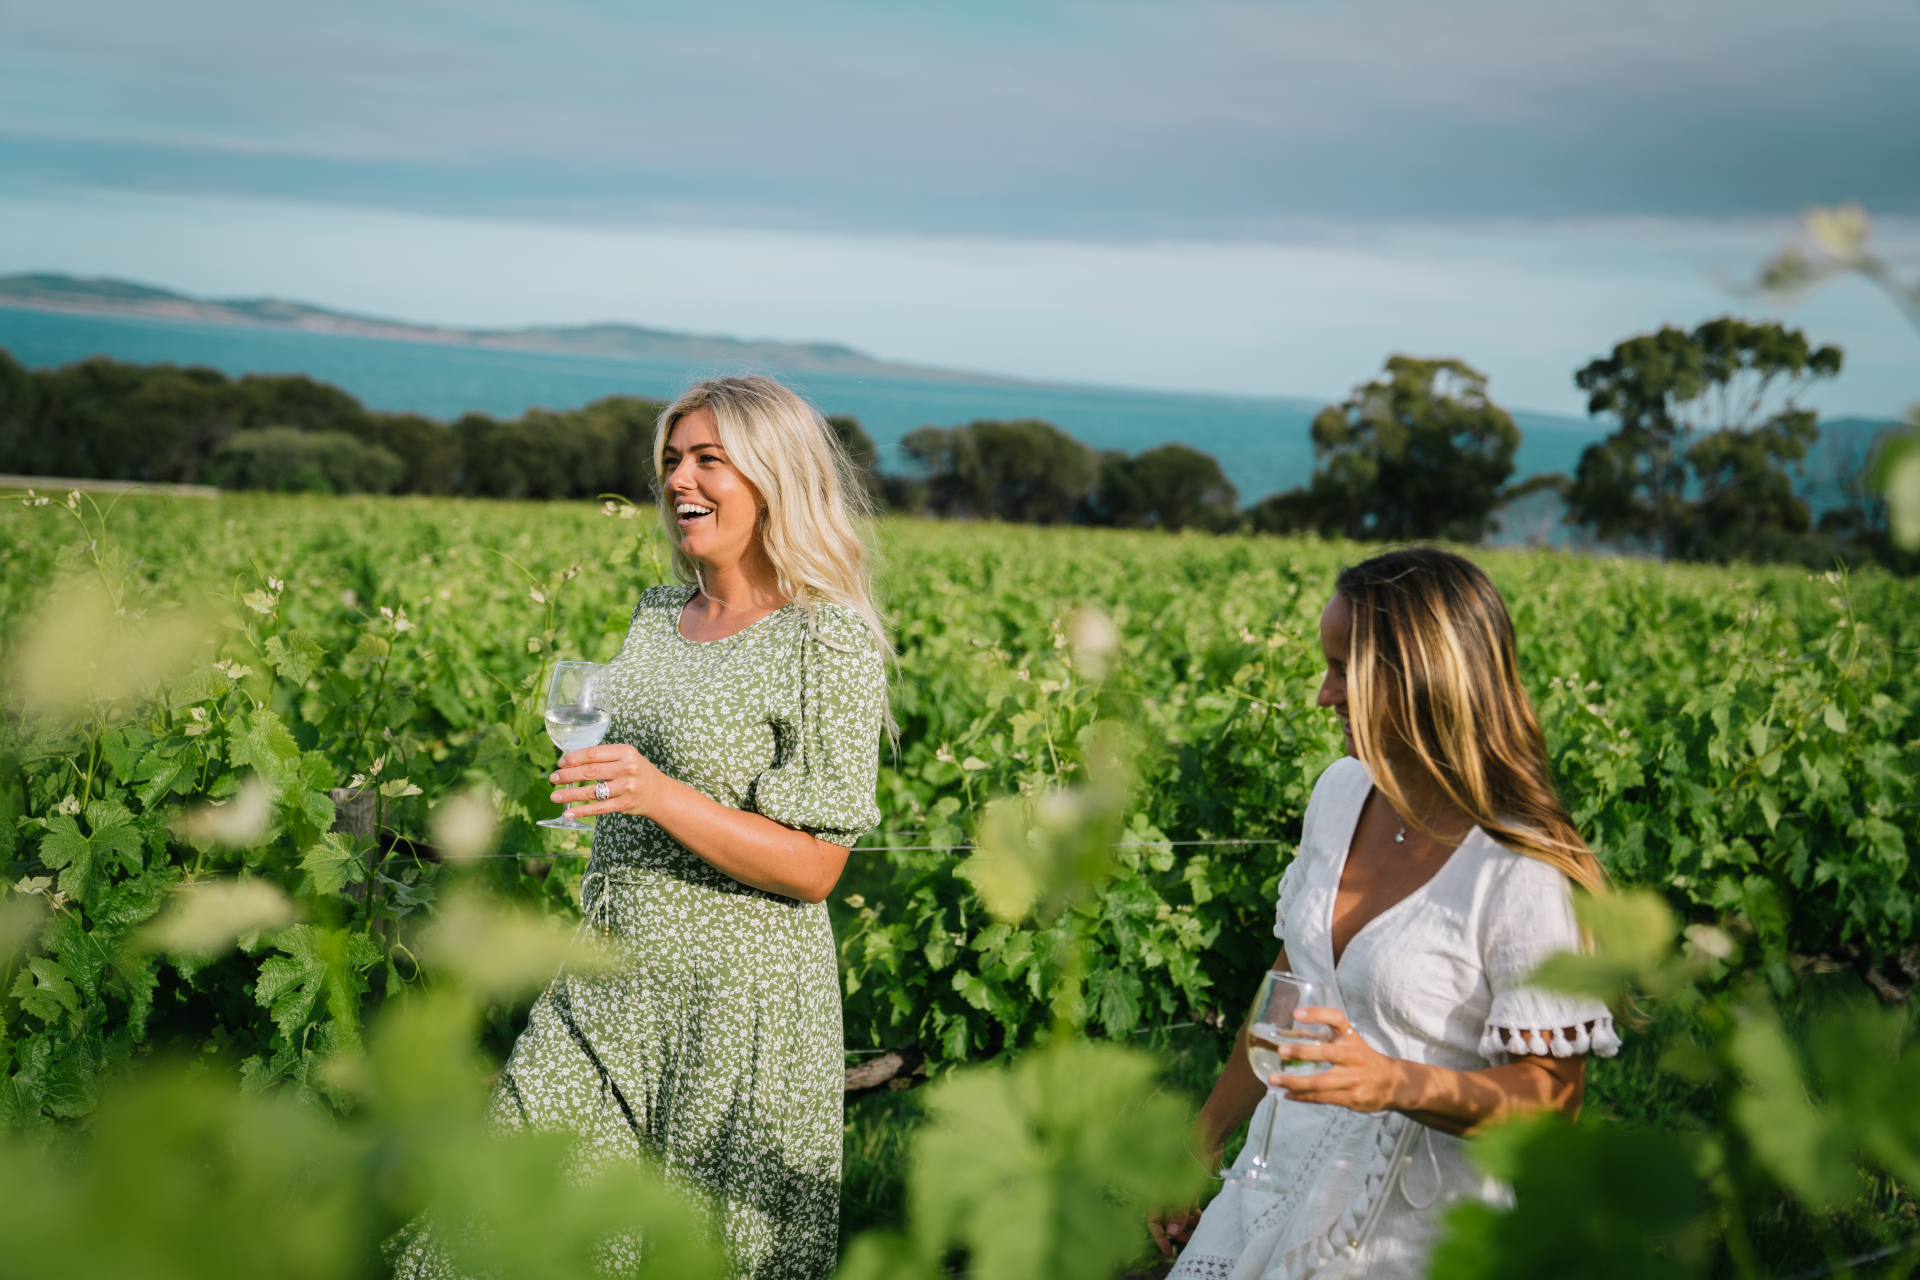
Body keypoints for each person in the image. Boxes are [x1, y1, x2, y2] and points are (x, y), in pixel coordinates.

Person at [392, 375, 889, 1280]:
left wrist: (658, 795)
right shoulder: (659, 617)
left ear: (774, 477)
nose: (678, 480)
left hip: (739, 1009)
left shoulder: (827, 641)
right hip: (607, 977)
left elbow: (817, 867)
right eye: (671, 459)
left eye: (708, 459)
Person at [1152, 546, 1619, 1280]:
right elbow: (1290, 984)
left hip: (1408, 1235)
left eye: (1346, 671)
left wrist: (1393, 1081)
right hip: (1266, 1189)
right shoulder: (1339, 793)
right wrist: (1204, 1139)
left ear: (1424, 678)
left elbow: (1552, 1101)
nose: (1324, 695)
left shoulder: (1519, 868)